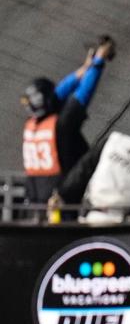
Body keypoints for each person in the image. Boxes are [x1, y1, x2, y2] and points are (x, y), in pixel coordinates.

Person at [21, 36, 115, 204]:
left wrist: (85, 68)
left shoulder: (32, 124)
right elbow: (83, 94)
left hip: (35, 199)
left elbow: (57, 94)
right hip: (62, 202)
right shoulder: (61, 126)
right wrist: (99, 61)